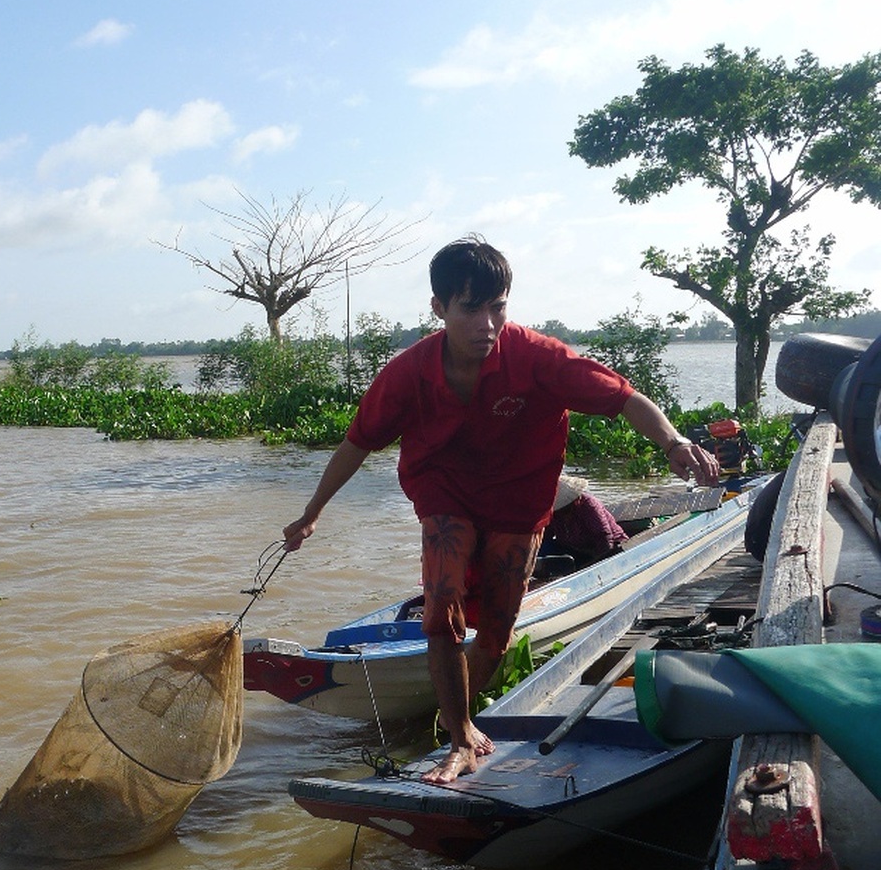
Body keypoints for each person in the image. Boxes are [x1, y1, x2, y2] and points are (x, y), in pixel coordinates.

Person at [283, 238, 718, 784]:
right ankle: (460, 731)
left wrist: (676, 444)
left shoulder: (538, 357)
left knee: (495, 634)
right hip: (445, 493)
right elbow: (356, 443)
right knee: (441, 601)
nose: (487, 323)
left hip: (519, 501)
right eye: (471, 308)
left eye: (498, 307)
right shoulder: (409, 372)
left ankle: (451, 709)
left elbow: (625, 398)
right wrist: (312, 512)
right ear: (439, 308)